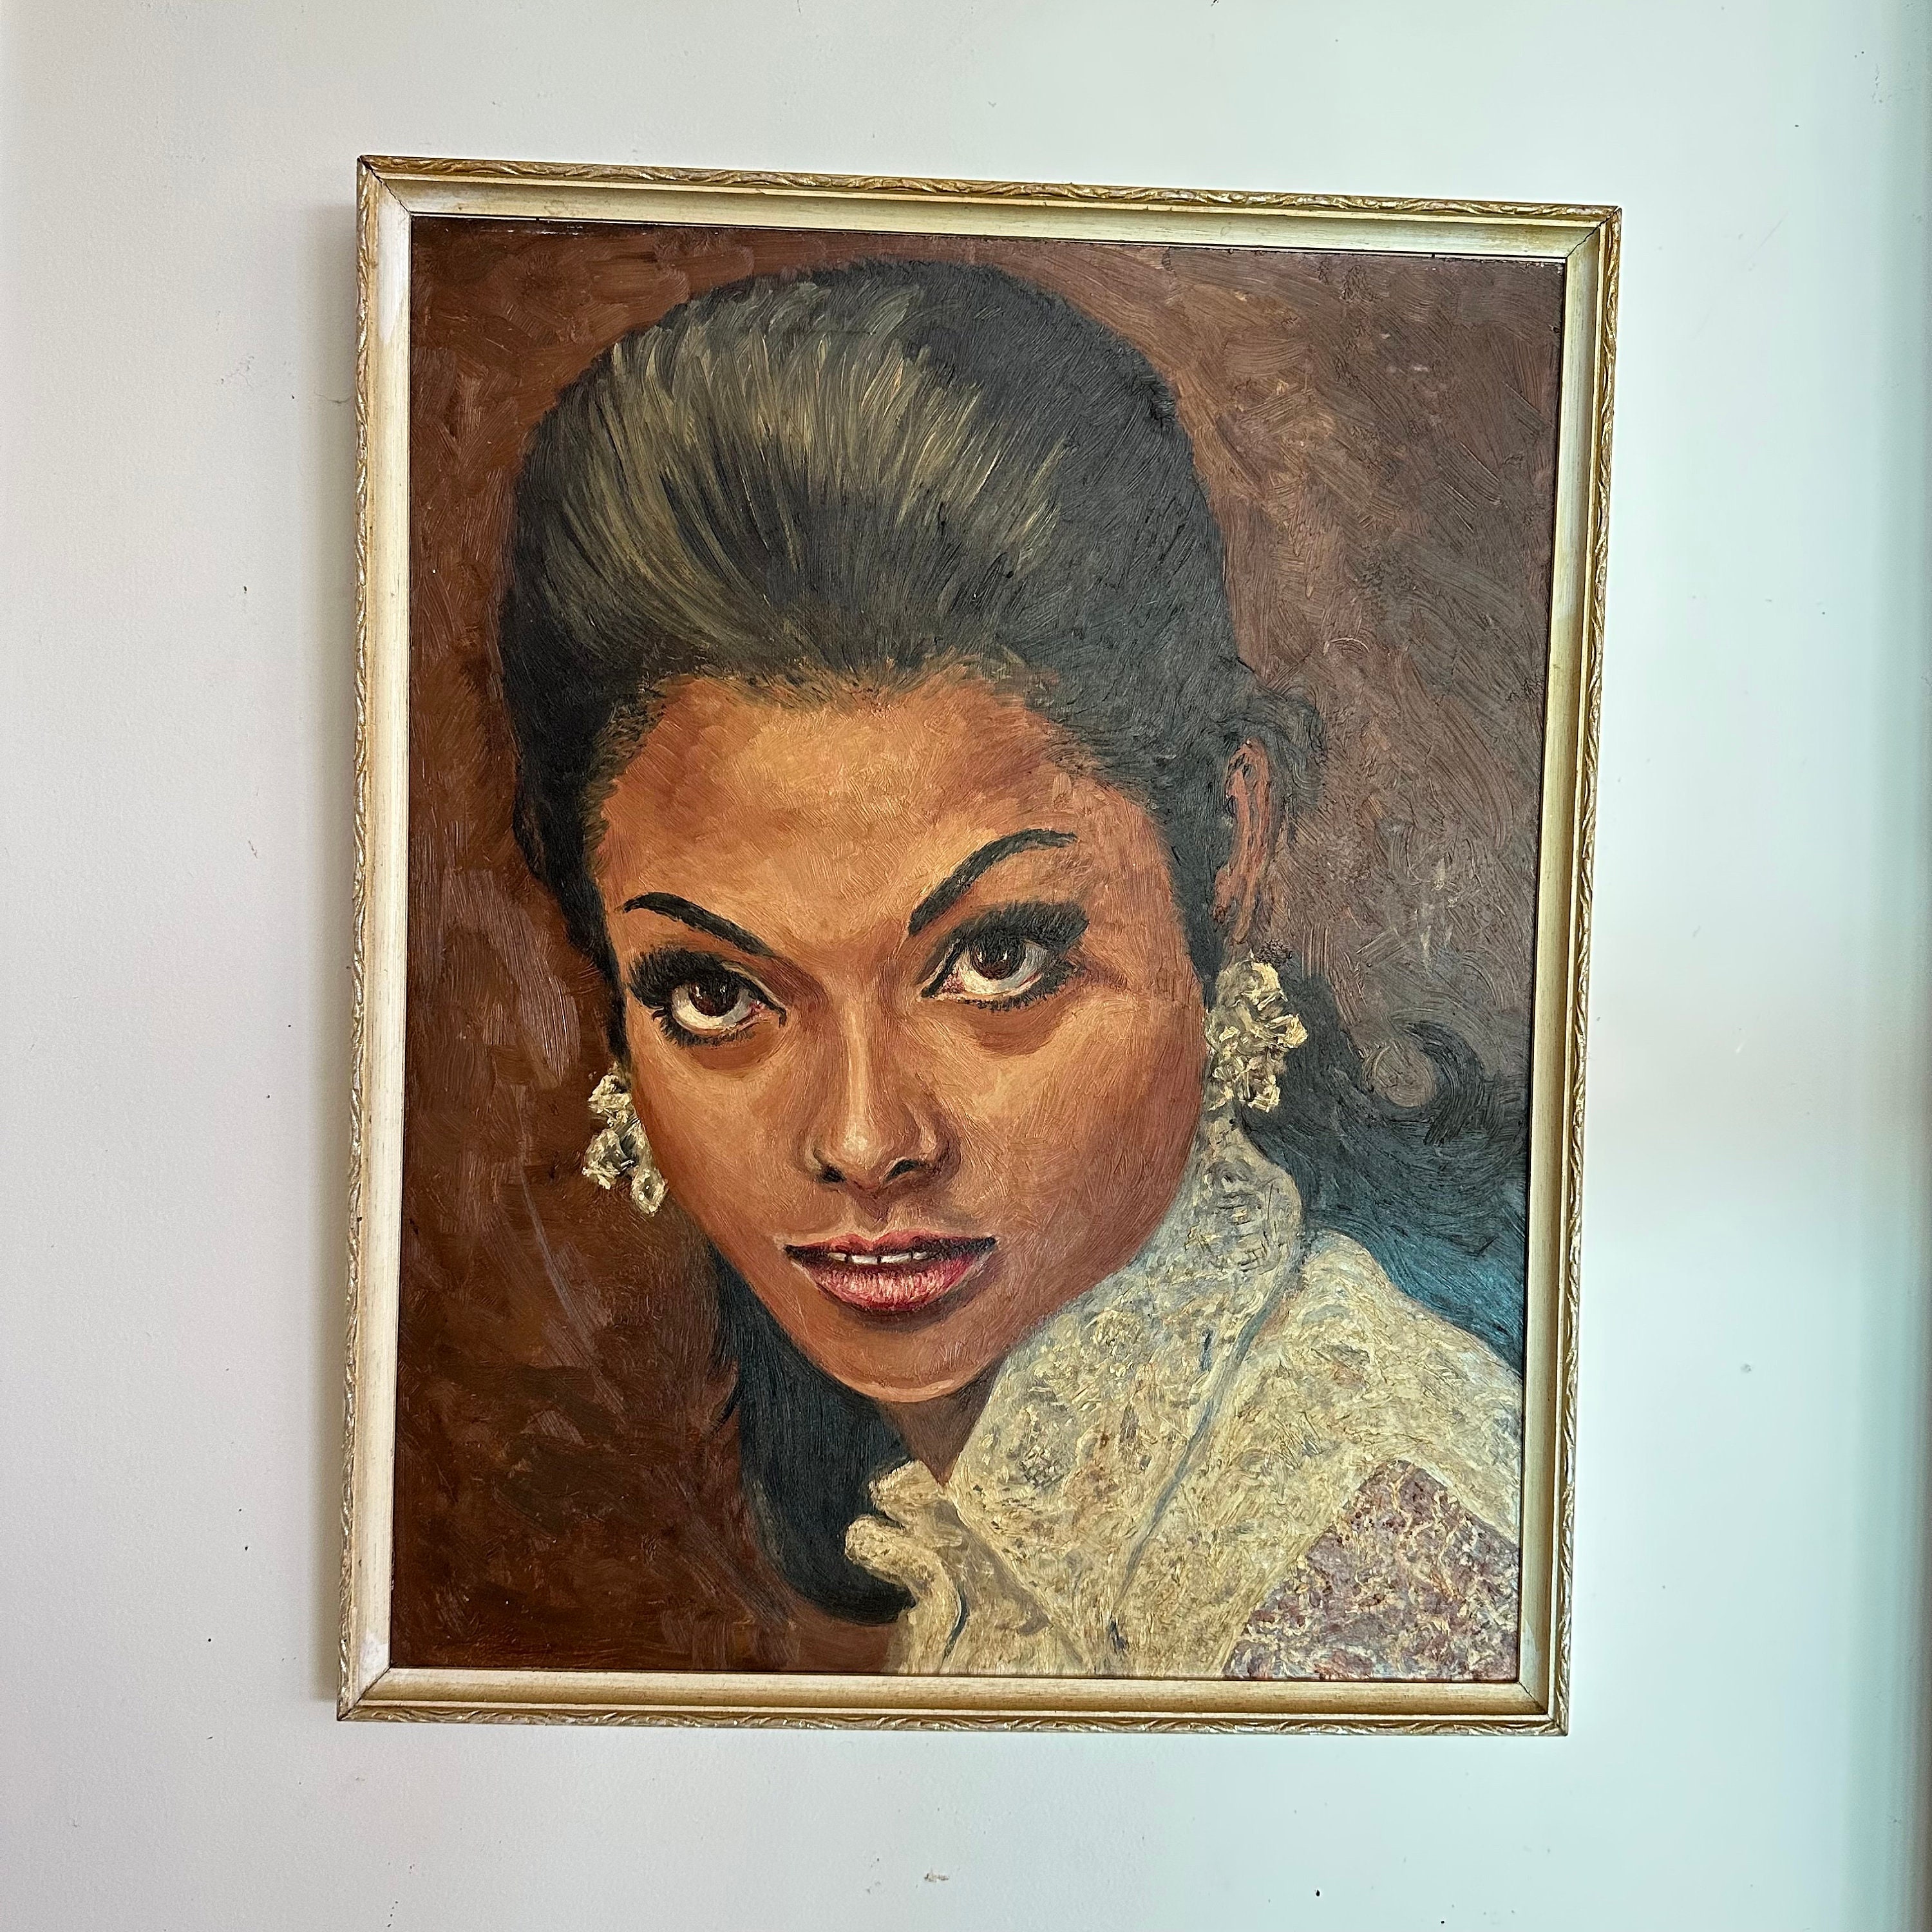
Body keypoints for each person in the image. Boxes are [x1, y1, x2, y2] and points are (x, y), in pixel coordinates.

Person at [497, 259, 1527, 1680]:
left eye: (996, 960)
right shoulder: (996, 1535)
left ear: (1229, 844)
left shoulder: (1366, 1573)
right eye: (718, 995)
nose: (866, 1140)